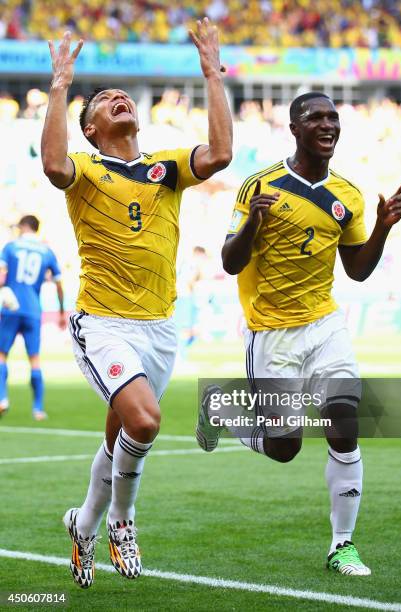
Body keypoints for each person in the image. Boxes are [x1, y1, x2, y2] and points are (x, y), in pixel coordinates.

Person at [41, 19, 232, 589]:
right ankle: (123, 519)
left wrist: (210, 74)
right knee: (145, 421)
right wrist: (60, 85)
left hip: (160, 326)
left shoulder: (166, 167)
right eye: (102, 101)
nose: (116, 98)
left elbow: (220, 153)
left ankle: (83, 524)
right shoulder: (86, 169)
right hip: (102, 322)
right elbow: (53, 166)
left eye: (120, 95)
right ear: (92, 129)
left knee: (118, 436)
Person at [197, 92, 401, 576]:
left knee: (343, 420)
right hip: (272, 333)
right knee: (285, 447)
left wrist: (382, 228)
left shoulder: (348, 196)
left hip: (325, 323)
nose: (328, 124)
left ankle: (343, 545)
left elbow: (357, 271)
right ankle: (224, 411)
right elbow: (231, 262)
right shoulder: (260, 185)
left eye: (333, 117)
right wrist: (254, 222)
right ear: (295, 127)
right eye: (316, 117)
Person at [0, 215, 65, 420]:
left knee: (1, 355)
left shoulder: (10, 247)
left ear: (23, 227)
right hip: (34, 310)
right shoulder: (47, 252)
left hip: (10, 308)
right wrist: (62, 312)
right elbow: (59, 284)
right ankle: (38, 409)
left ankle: (2, 399)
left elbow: (1, 275)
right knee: (35, 359)